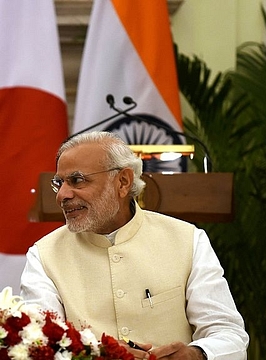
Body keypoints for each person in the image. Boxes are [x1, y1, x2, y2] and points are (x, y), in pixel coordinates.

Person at [20, 131, 248, 360]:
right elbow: (38, 347)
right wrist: (96, 355)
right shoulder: (44, 256)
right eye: (59, 183)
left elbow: (230, 335)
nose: (62, 195)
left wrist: (196, 354)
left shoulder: (188, 240)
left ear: (123, 182)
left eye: (77, 180)